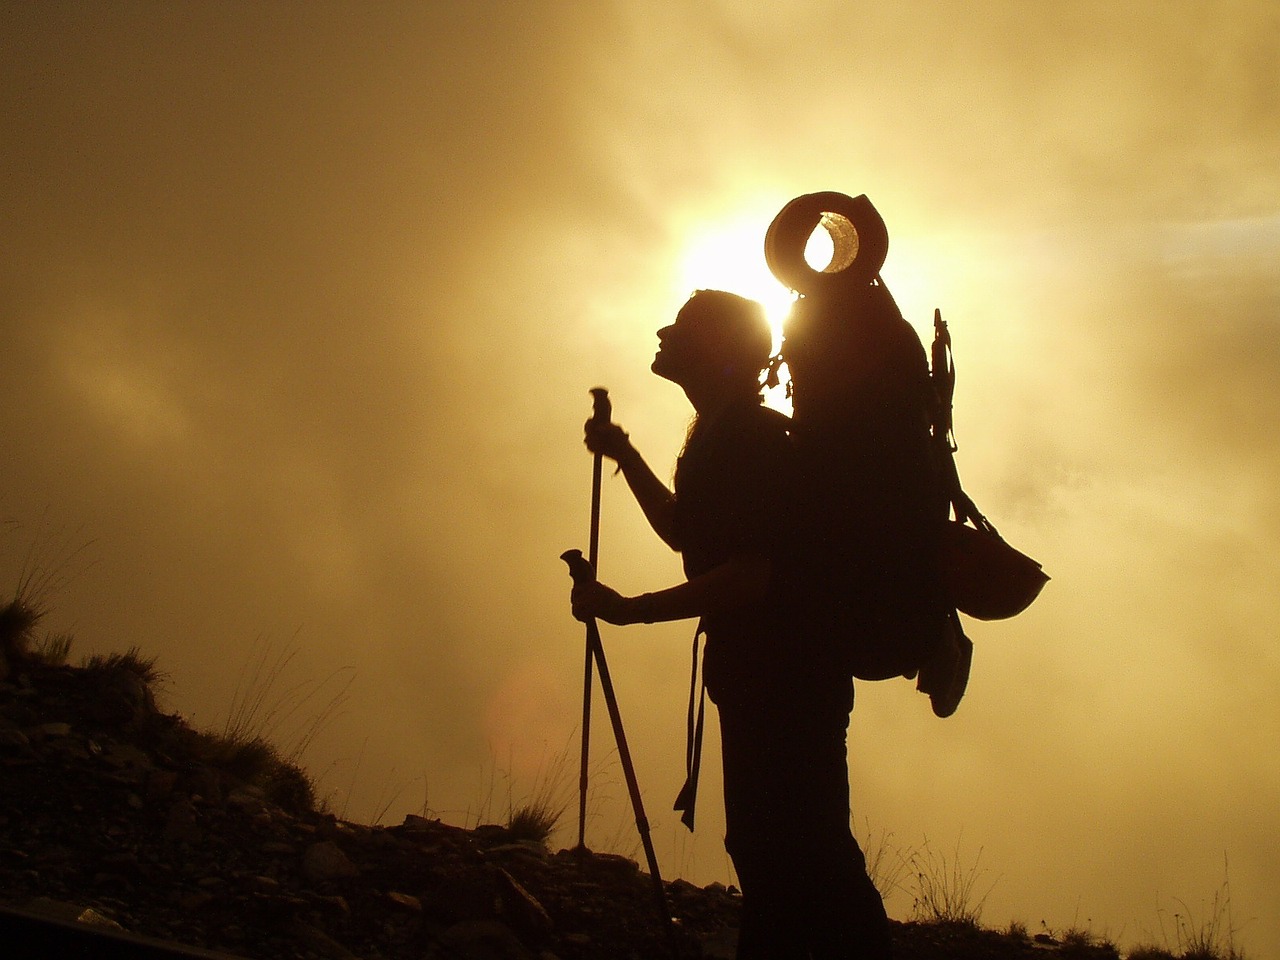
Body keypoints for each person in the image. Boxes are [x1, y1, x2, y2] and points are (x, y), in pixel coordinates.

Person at [570, 289, 893, 960]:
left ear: (715, 349)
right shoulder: (722, 435)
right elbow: (689, 533)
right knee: (774, 844)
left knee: (800, 847)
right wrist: (626, 455)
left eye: (683, 328)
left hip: (787, 677)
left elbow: (752, 573)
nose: (664, 333)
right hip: (765, 676)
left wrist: (631, 610)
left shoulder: (750, 439)